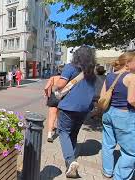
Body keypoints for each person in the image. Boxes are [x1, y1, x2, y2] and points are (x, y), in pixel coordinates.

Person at [54, 46, 96, 178]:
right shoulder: (91, 73)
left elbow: (61, 85)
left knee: (63, 132)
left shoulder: (70, 67)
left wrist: (54, 85)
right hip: (84, 109)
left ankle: (71, 161)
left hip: (69, 106)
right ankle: (70, 164)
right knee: (73, 133)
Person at [100, 52, 135, 179]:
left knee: (108, 144)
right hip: (125, 115)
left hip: (108, 112)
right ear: (128, 63)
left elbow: (103, 97)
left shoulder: (109, 76)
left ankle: (107, 171)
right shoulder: (131, 77)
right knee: (130, 152)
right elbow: (131, 100)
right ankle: (120, 177)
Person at [44, 65, 63, 143]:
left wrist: (47, 94)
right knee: (60, 116)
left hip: (53, 98)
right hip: (62, 98)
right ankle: (59, 130)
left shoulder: (53, 78)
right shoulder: (65, 79)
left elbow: (46, 88)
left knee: (52, 117)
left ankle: (49, 135)